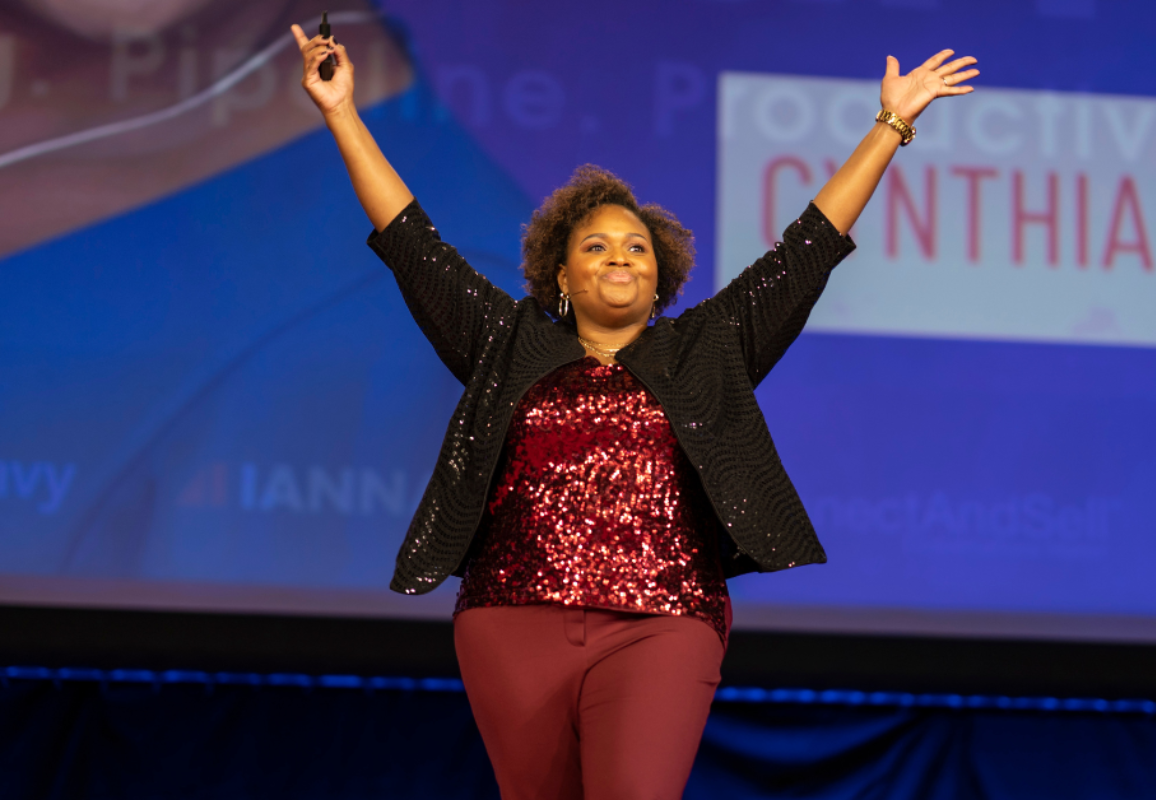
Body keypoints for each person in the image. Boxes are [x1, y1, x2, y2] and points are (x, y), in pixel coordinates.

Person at [292, 23, 977, 800]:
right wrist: (343, 111)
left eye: (637, 248)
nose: (619, 254)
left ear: (661, 279)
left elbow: (810, 245)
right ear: (559, 277)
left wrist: (890, 125)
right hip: (511, 619)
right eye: (595, 246)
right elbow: (412, 242)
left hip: (665, 617)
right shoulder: (505, 341)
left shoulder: (709, 346)